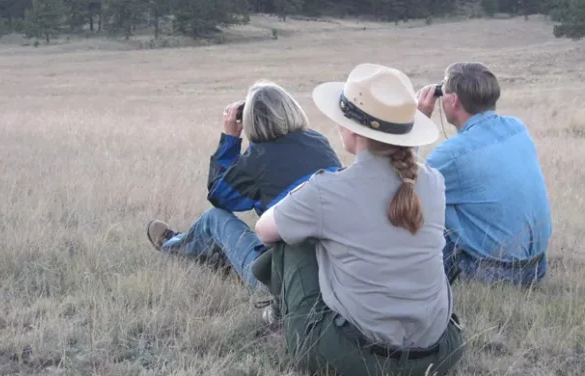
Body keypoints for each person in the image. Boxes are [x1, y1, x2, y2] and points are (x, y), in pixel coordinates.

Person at [251, 64, 465, 376]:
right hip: (440, 354)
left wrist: (305, 190)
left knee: (291, 240)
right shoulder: (433, 181)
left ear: (350, 129)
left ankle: (279, 314)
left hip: (352, 359)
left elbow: (264, 231)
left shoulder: (327, 191)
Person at [145, 80, 341, 290]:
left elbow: (219, 196)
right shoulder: (319, 141)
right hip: (336, 266)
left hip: (284, 282)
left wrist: (230, 139)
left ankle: (173, 246)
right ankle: (219, 257)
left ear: (250, 120)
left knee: (214, 219)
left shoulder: (258, 159)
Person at [416, 62, 552, 286]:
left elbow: (402, 188)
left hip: (496, 273)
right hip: (537, 266)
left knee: (424, 207)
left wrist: (417, 124)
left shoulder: (451, 155)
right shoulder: (517, 128)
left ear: (453, 100)